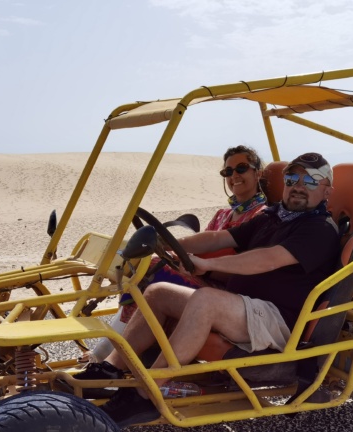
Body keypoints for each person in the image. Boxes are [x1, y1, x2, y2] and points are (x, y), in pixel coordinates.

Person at [78, 152, 340, 426]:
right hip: (243, 306)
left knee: (206, 300)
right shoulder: (273, 217)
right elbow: (218, 238)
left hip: (276, 320)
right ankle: (108, 370)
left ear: (326, 191)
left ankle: (146, 395)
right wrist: (168, 244)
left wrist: (205, 264)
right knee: (158, 293)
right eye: (292, 177)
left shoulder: (319, 229)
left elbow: (267, 259)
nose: (299, 185)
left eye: (311, 180)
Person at [82, 144, 269, 363]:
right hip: (202, 277)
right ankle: (114, 350)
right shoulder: (222, 214)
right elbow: (202, 245)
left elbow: (250, 267)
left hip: (229, 293)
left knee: (152, 270)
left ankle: (107, 357)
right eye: (228, 172)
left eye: (241, 168)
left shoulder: (262, 215)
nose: (234, 176)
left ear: (257, 172)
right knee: (143, 268)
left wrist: (204, 267)